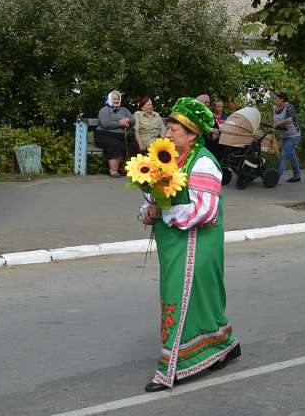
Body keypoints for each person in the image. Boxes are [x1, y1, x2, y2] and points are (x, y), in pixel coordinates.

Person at [138, 97, 241, 392]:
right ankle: (224, 345)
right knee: (201, 301)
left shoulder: (204, 162)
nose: (167, 135)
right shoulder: (168, 158)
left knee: (180, 299)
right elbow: (155, 193)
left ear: (193, 134)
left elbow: (205, 210)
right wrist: (147, 210)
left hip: (197, 242)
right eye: (167, 128)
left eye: (174, 130)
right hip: (173, 243)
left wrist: (163, 212)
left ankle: (171, 368)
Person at [97, 90, 135, 178]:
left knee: (134, 146)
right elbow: (105, 124)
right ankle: (113, 170)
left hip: (122, 136)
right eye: (114, 99)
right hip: (104, 134)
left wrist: (128, 120)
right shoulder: (105, 110)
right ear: (110, 99)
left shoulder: (124, 110)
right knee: (115, 145)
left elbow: (133, 119)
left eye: (118, 99)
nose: (116, 101)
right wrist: (120, 123)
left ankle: (125, 169)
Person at [272, 91, 302, 183]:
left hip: (293, 135)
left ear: (282, 99)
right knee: (291, 155)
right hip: (285, 136)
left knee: (284, 155)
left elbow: (293, 118)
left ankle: (274, 179)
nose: (275, 100)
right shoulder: (275, 108)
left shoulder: (289, 107)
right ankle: (297, 176)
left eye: (276, 98)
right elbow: (274, 122)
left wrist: (280, 123)